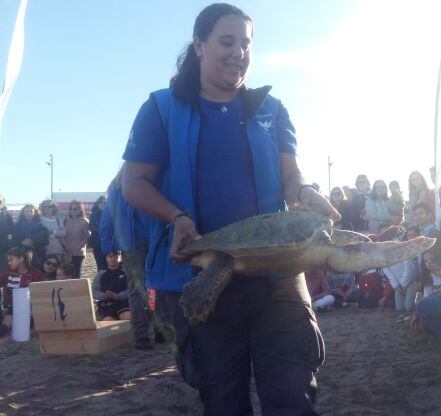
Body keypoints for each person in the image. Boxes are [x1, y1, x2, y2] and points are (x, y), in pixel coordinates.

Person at [121, 3, 340, 414]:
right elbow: (134, 183)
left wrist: (306, 191)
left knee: (293, 394)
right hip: (202, 274)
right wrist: (177, 217)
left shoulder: (270, 109)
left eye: (247, 43)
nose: (239, 52)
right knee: (223, 400)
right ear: (199, 45)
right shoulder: (161, 109)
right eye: (227, 41)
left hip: (277, 271)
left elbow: (291, 178)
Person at [100, 169, 155, 350]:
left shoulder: (117, 189)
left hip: (140, 242)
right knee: (150, 287)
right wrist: (108, 245)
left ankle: (144, 335)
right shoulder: (121, 189)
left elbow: (107, 219)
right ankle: (148, 332)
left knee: (141, 289)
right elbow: (107, 219)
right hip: (144, 242)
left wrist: (109, 244)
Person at [0, 247, 44, 340]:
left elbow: (41, 294)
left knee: (21, 321)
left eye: (11, 259)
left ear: (21, 259)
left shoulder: (36, 274)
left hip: (32, 308)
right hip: (13, 308)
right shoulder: (7, 273)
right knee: (5, 325)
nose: (9, 263)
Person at [92, 251, 131, 321]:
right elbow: (94, 292)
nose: (113, 259)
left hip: (123, 303)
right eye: (111, 257)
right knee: (108, 321)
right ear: (106, 258)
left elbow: (131, 289)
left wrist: (119, 296)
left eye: (116, 257)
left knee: (128, 317)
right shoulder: (101, 274)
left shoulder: (125, 272)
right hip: (106, 304)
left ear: (120, 258)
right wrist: (105, 296)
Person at [13, 204, 49, 269]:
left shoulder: (40, 225)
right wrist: (22, 243)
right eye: (27, 212)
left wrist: (33, 240)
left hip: (38, 255)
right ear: (23, 213)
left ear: (34, 212)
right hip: (22, 256)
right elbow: (13, 241)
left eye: (31, 211)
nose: (29, 213)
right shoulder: (17, 225)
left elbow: (46, 240)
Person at [62, 200, 90, 278]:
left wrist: (81, 245)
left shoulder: (84, 221)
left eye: (75, 209)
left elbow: (87, 235)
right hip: (67, 251)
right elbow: (62, 235)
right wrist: (65, 246)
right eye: (71, 208)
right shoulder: (65, 220)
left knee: (76, 273)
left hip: (78, 252)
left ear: (80, 209)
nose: (72, 211)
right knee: (66, 274)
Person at [88, 196, 107, 271]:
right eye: (101, 202)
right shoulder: (93, 214)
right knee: (100, 265)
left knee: (109, 264)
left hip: (108, 242)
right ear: (97, 204)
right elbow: (91, 227)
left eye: (105, 203)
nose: (103, 204)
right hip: (97, 243)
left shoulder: (110, 213)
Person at [0, 196, 13, 269]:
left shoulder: (6, 215)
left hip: (3, 250)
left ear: (3, 204)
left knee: (3, 272)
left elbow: (11, 230)